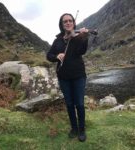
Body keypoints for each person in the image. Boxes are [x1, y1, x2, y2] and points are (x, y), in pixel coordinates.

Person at [46, 13, 89, 142]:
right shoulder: (57, 41)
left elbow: (82, 51)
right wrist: (56, 56)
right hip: (63, 77)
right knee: (69, 104)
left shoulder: (78, 38)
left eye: (70, 21)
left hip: (78, 76)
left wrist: (84, 37)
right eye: (65, 21)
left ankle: (81, 129)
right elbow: (48, 55)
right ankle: (74, 128)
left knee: (80, 104)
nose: (68, 23)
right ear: (62, 24)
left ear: (74, 23)